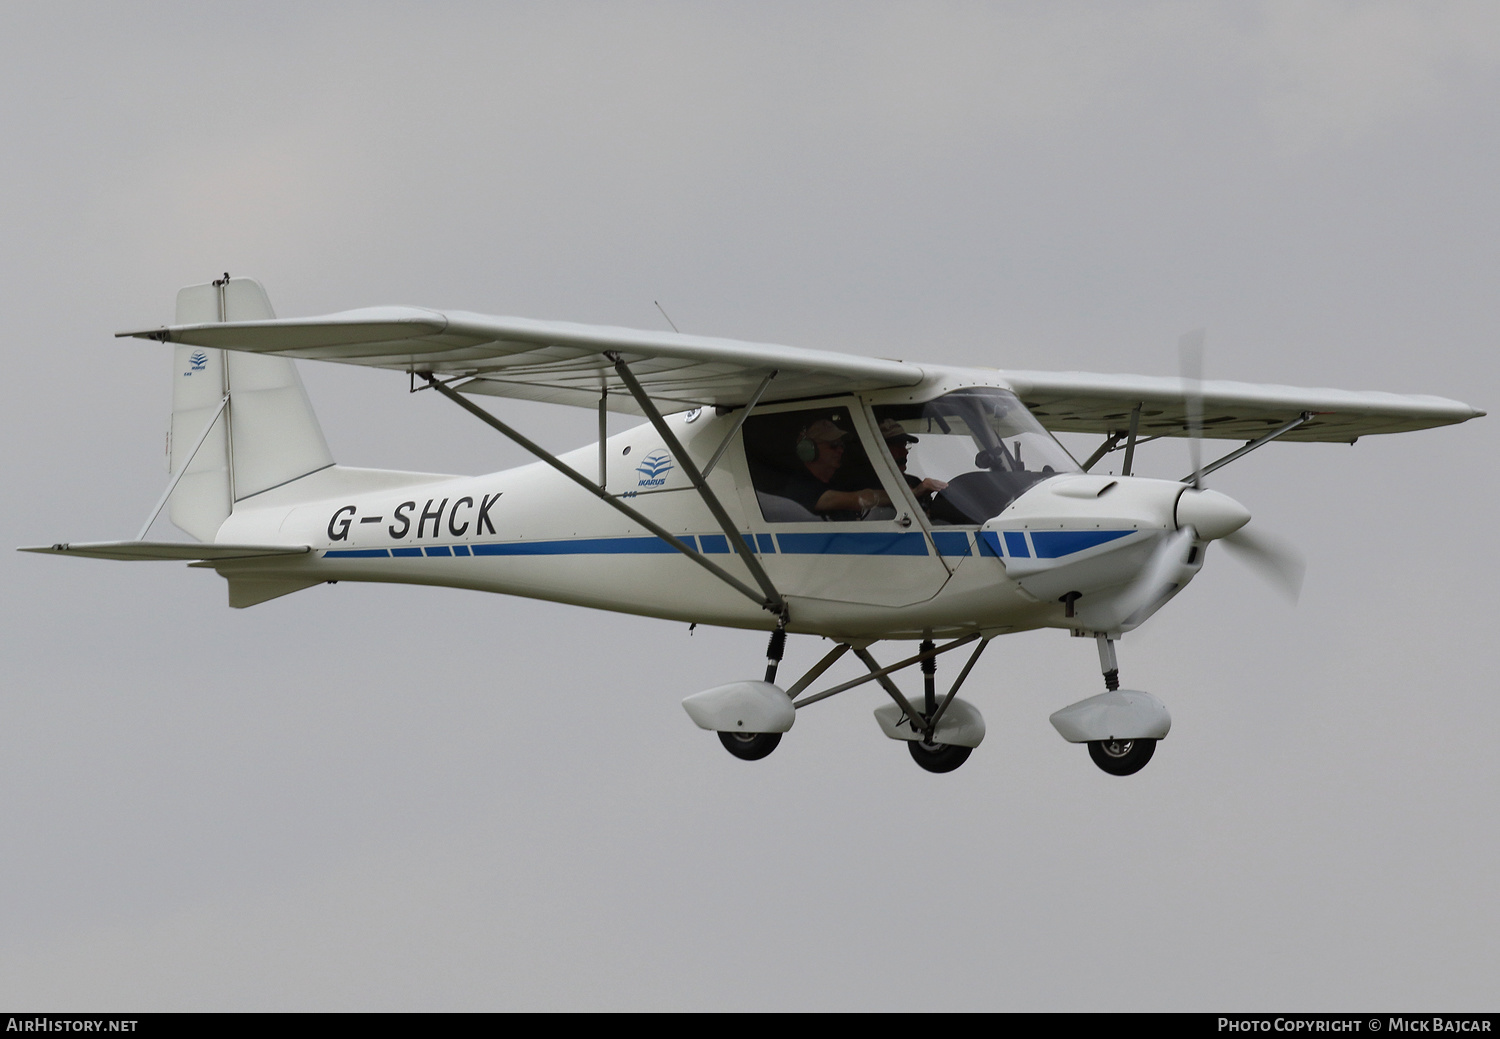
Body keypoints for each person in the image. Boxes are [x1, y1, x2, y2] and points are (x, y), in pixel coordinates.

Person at [779, 418, 891, 520]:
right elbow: (859, 500)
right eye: (833, 445)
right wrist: (896, 496)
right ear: (809, 449)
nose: (840, 450)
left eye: (841, 445)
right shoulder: (799, 487)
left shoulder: (839, 483)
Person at [879, 418, 948, 507]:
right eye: (897, 447)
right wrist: (916, 492)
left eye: (904, 445)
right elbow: (866, 500)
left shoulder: (913, 482)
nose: (905, 452)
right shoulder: (863, 483)